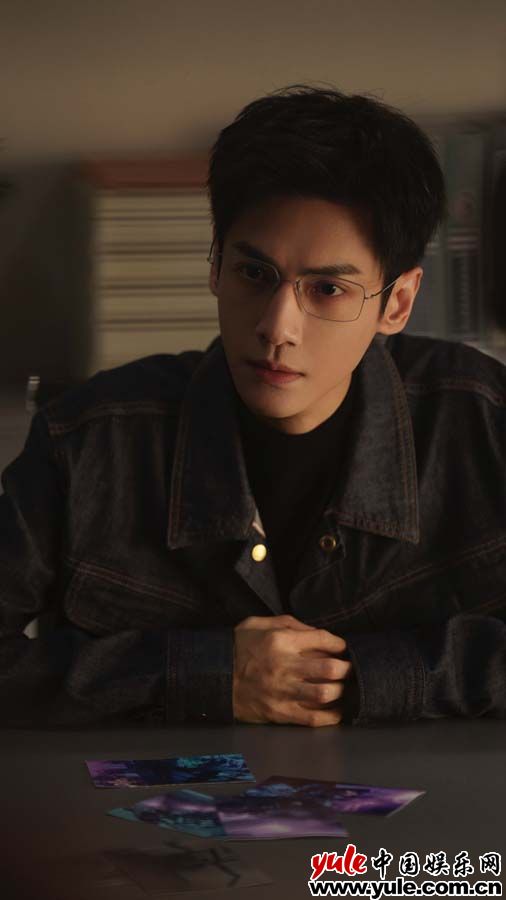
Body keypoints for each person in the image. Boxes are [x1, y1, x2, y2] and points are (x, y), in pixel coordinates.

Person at [0, 84, 504, 730]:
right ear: (216, 264)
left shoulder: (483, 424)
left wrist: (366, 678)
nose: (276, 327)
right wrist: (205, 674)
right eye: (254, 274)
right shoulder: (88, 444)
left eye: (328, 289)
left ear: (398, 303)